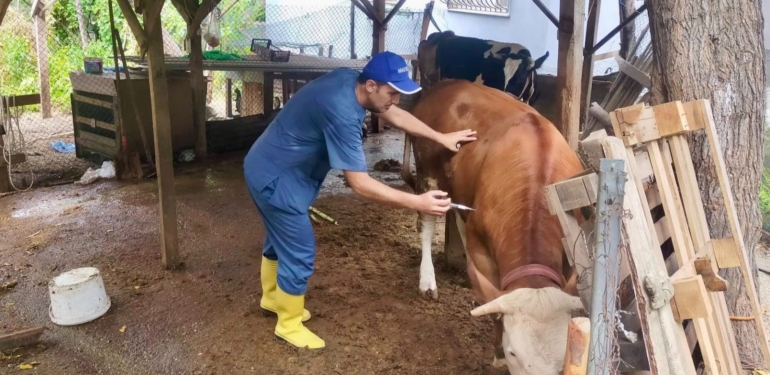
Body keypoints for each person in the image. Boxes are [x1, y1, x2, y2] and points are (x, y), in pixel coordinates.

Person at [243, 51, 477, 350]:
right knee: (299, 251)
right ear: (371, 85)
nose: (396, 99)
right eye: (392, 92)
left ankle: (272, 298)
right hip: (277, 179)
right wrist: (418, 203)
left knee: (279, 240)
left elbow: (392, 113)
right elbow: (360, 184)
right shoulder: (341, 112)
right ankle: (288, 325)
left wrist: (440, 136)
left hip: (278, 168)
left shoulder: (350, 79)